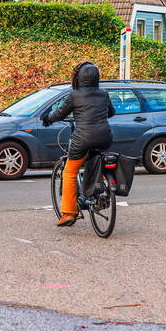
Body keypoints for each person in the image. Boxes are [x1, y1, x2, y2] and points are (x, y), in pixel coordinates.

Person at [42, 62, 114, 226]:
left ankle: (69, 213)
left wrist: (47, 118)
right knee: (95, 158)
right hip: (105, 138)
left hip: (82, 139)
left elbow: (60, 114)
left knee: (69, 172)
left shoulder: (75, 95)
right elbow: (111, 112)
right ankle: (100, 189)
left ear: (79, 78)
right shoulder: (104, 94)